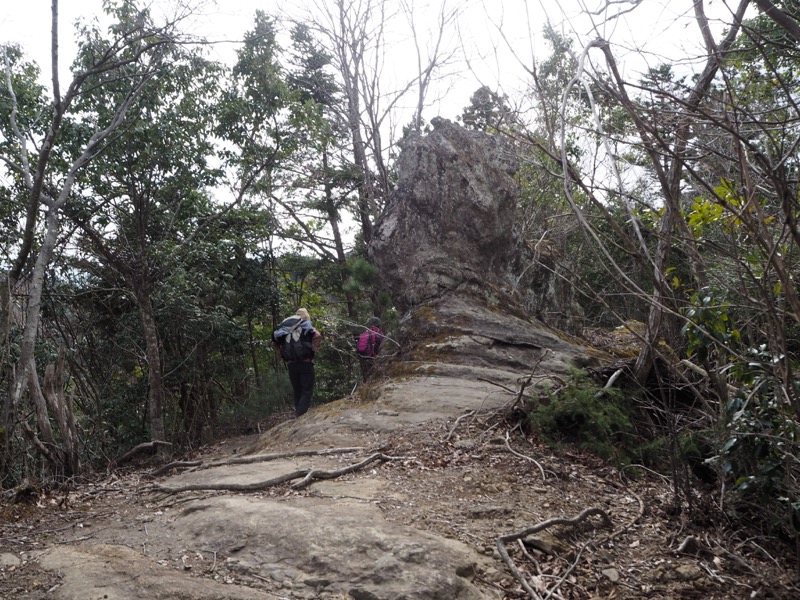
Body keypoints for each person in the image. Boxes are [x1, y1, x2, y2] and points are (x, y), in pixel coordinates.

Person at [272, 308, 322, 417]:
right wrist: (313, 350)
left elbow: (274, 343)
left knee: (297, 389)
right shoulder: (307, 327)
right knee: (307, 389)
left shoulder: (285, 329)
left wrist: (280, 354)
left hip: (291, 364)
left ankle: (298, 412)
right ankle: (300, 414)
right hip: (306, 362)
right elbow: (317, 336)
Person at [357, 316, 384, 382]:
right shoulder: (378, 333)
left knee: (367, 374)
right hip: (373, 357)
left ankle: (366, 385)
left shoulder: (366, 332)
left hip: (364, 356)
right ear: (378, 324)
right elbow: (382, 344)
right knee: (373, 374)